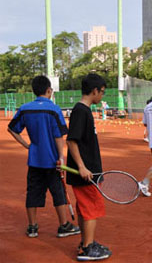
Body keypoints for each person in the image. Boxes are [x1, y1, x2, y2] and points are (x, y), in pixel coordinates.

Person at [7, 75, 80, 240]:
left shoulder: (25, 108)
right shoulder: (53, 109)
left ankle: (32, 227)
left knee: (32, 192)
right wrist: (61, 157)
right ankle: (64, 225)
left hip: (34, 160)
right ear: (49, 90)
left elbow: (12, 129)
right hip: (52, 160)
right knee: (58, 192)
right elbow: (58, 136)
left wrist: (26, 145)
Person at [66, 73, 111, 262]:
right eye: (101, 92)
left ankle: (87, 242)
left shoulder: (84, 111)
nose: (102, 95)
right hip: (85, 174)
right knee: (91, 209)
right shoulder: (81, 111)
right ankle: (86, 248)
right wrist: (83, 167)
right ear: (94, 91)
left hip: (89, 172)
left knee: (86, 210)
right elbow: (72, 142)